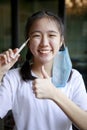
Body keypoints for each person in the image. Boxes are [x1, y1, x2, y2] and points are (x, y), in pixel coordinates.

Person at [0, 10, 87, 130]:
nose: (44, 43)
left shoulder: (74, 77)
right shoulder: (13, 78)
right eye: (36, 36)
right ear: (28, 43)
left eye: (51, 35)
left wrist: (54, 94)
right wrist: (0, 72)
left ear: (61, 41)